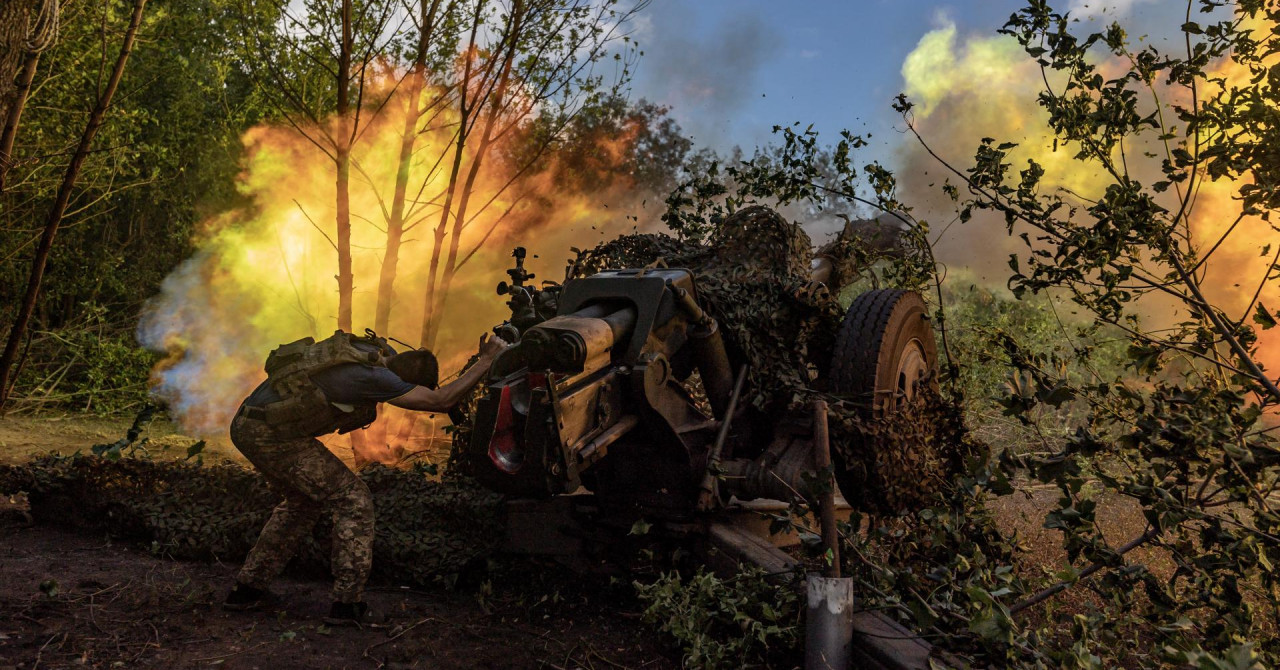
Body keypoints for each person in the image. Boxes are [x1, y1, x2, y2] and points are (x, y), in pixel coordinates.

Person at [222, 330, 508, 624]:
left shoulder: (378, 355)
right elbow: (440, 401)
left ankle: (246, 590)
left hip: (251, 422)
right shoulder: (377, 378)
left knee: (303, 503)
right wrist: (486, 361)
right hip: (267, 435)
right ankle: (347, 605)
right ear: (404, 382)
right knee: (353, 500)